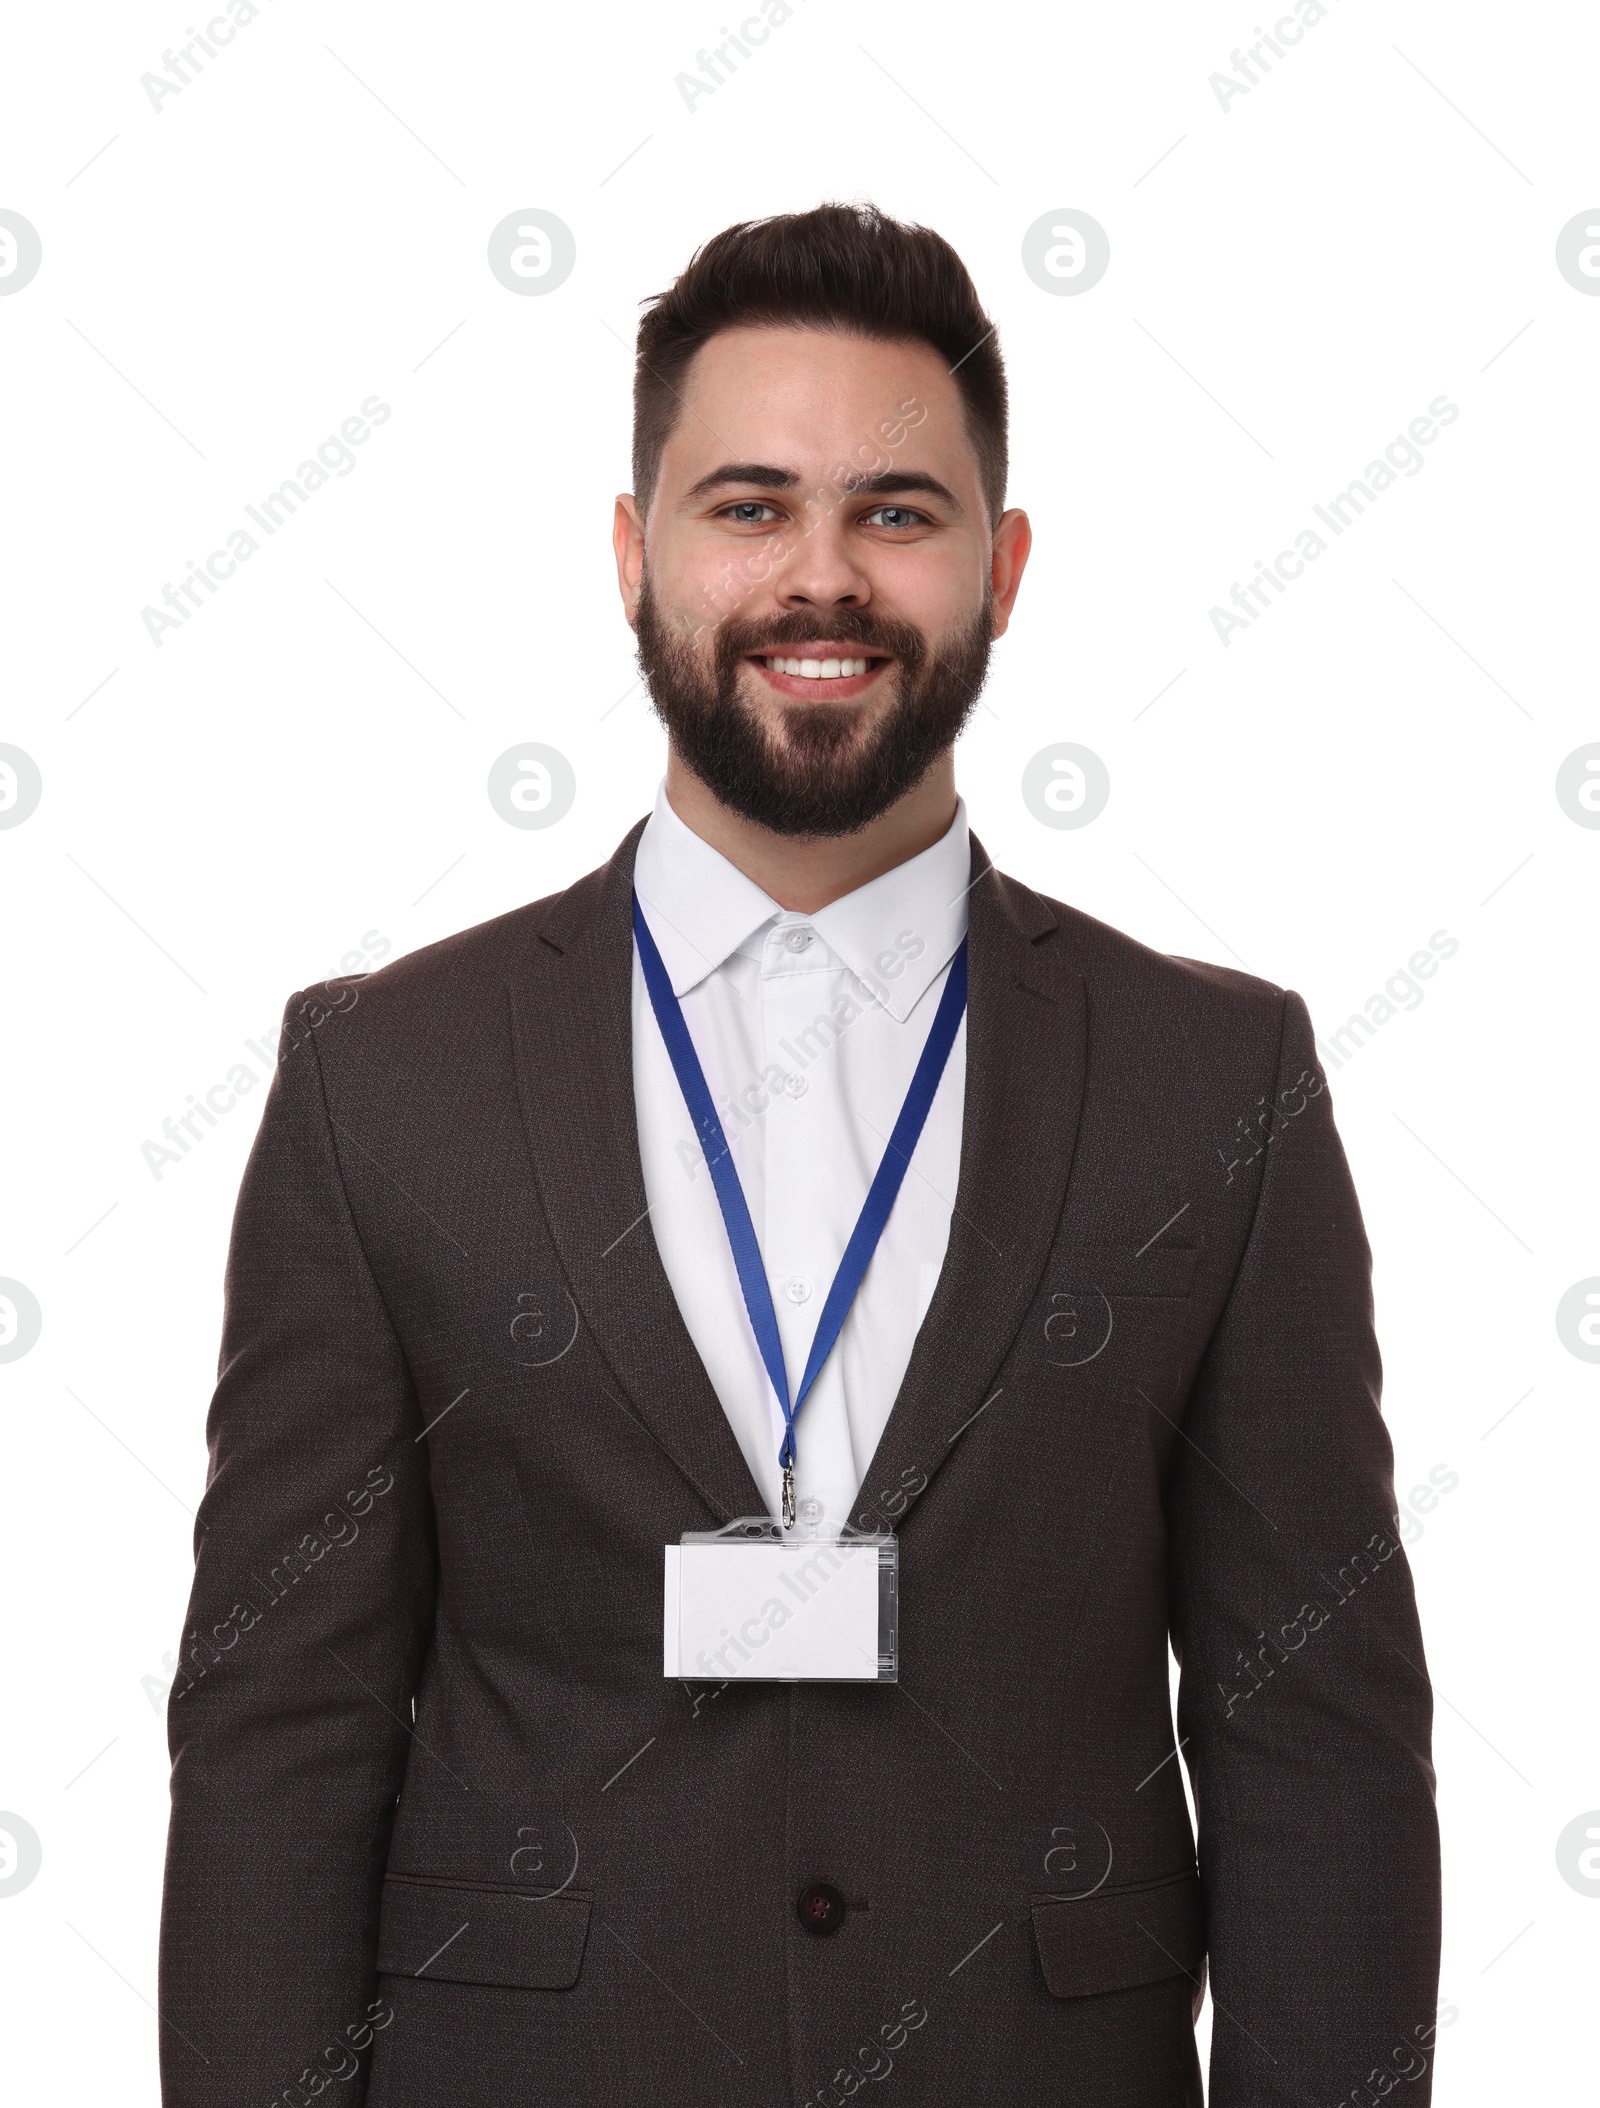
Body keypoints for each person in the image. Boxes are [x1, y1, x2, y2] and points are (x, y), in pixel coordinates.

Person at [159, 202, 1441, 2108]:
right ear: (632, 554)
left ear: (1003, 568)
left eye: (897, 514)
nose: (820, 578)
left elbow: (1313, 1733)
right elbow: (284, 1724)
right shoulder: (379, 1078)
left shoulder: (1217, 1080)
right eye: (747, 506)